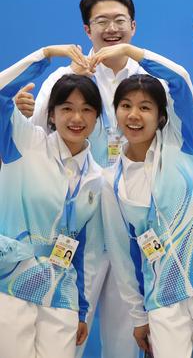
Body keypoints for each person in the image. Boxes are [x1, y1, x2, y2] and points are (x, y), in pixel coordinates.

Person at [15, 0, 147, 358]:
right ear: (87, 30)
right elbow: (36, 134)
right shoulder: (64, 79)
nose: (111, 29)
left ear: (133, 26)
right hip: (75, 226)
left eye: (119, 20)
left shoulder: (149, 82)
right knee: (67, 336)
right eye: (101, 21)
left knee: (125, 340)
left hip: (131, 224)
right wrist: (24, 110)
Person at [98, 43, 193, 358]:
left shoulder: (181, 144)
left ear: (161, 116)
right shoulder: (111, 181)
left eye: (145, 107)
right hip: (163, 294)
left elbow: (179, 78)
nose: (134, 115)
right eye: (125, 105)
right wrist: (138, 314)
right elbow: (122, 254)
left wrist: (128, 50)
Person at [0, 45, 105, 358]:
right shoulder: (24, 142)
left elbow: (81, 248)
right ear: (51, 113)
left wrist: (82, 309)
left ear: (97, 117)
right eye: (67, 108)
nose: (77, 118)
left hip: (61, 292)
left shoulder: (97, 177)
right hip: (10, 282)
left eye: (87, 109)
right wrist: (46, 54)